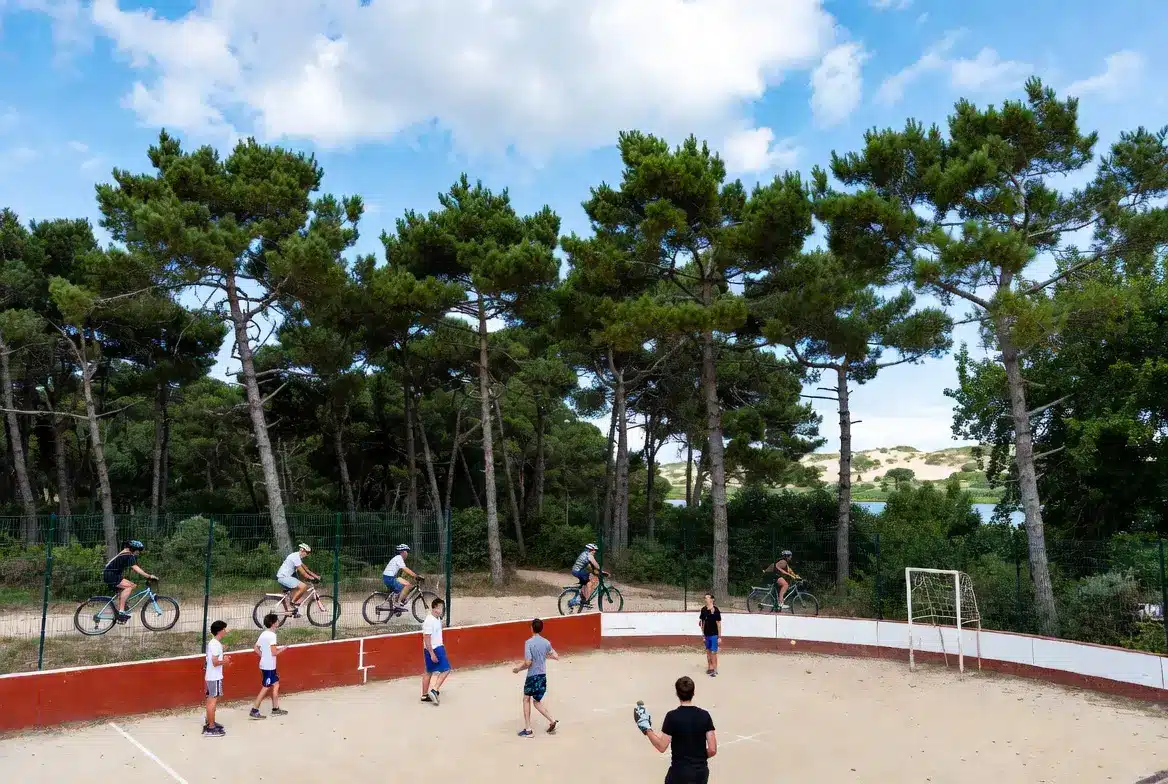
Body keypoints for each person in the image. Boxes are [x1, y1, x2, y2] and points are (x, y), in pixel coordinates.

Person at [634, 675, 717, 784]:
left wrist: (647, 729)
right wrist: (698, 758)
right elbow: (712, 750)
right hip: (700, 774)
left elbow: (661, 746)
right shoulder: (705, 715)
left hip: (679, 773)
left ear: (677, 693)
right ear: (693, 692)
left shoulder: (672, 716)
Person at [512, 618, 560, 738]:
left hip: (532, 676)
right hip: (542, 676)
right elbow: (556, 656)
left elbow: (528, 662)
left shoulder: (529, 643)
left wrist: (518, 669)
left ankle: (528, 730)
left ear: (532, 628)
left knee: (526, 699)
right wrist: (543, 656)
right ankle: (552, 720)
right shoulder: (546, 642)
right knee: (537, 701)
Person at [102, 540, 157, 623]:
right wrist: (149, 576)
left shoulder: (126, 553)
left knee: (133, 585)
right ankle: (121, 611)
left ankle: (121, 606)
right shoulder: (129, 555)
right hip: (111, 575)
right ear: (134, 549)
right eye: (138, 550)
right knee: (130, 586)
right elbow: (136, 568)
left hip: (111, 574)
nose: (139, 553)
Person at [250, 613, 288, 720]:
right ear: (273, 623)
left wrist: (263, 656)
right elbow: (274, 653)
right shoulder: (272, 636)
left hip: (265, 664)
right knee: (265, 688)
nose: (278, 622)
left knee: (275, 684)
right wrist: (283, 649)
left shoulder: (263, 634)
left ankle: (275, 709)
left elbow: (255, 648)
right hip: (269, 667)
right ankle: (254, 710)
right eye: (277, 620)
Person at [275, 543, 320, 616]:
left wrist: (316, 576)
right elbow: (303, 573)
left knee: (299, 589)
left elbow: (306, 569)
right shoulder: (295, 557)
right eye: (307, 552)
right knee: (303, 587)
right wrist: (312, 578)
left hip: (286, 576)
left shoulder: (297, 556)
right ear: (302, 550)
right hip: (284, 577)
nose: (308, 555)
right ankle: (292, 604)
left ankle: (294, 610)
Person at [421, 598, 450, 705]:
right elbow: (426, 637)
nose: (442, 610)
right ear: (435, 608)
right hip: (435, 648)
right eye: (441, 608)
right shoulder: (429, 621)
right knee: (446, 669)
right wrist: (432, 653)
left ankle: (424, 695)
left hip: (432, 648)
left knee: (428, 671)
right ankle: (434, 690)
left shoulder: (437, 618)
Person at [203, 620, 228, 737]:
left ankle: (210, 722)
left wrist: (222, 648)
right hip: (215, 677)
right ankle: (211, 727)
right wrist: (226, 661)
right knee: (212, 701)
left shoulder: (213, 643)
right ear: (220, 631)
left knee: (209, 700)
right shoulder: (216, 645)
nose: (225, 631)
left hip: (210, 677)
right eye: (224, 629)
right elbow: (215, 662)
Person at [382, 544, 420, 612]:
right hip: (389, 578)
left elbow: (404, 570)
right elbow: (405, 569)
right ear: (403, 552)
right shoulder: (399, 558)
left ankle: (396, 599)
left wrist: (413, 576)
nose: (407, 554)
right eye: (407, 552)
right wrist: (415, 576)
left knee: (408, 583)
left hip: (389, 577)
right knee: (407, 586)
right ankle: (397, 603)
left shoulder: (397, 558)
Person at [568, 543, 601, 610]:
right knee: (589, 584)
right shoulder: (589, 555)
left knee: (586, 580)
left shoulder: (584, 553)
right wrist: (600, 571)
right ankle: (586, 601)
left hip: (575, 571)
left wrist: (597, 572)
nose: (595, 552)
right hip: (578, 571)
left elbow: (589, 567)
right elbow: (596, 566)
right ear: (591, 549)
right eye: (595, 550)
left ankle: (582, 597)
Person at [698, 594, 721, 677]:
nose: (706, 599)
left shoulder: (716, 610)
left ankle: (715, 670)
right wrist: (703, 635)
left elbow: (718, 623)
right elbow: (702, 622)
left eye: (708, 597)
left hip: (714, 635)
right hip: (706, 634)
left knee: (713, 652)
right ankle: (710, 667)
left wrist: (719, 637)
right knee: (708, 652)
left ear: (712, 599)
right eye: (705, 597)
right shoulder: (703, 609)